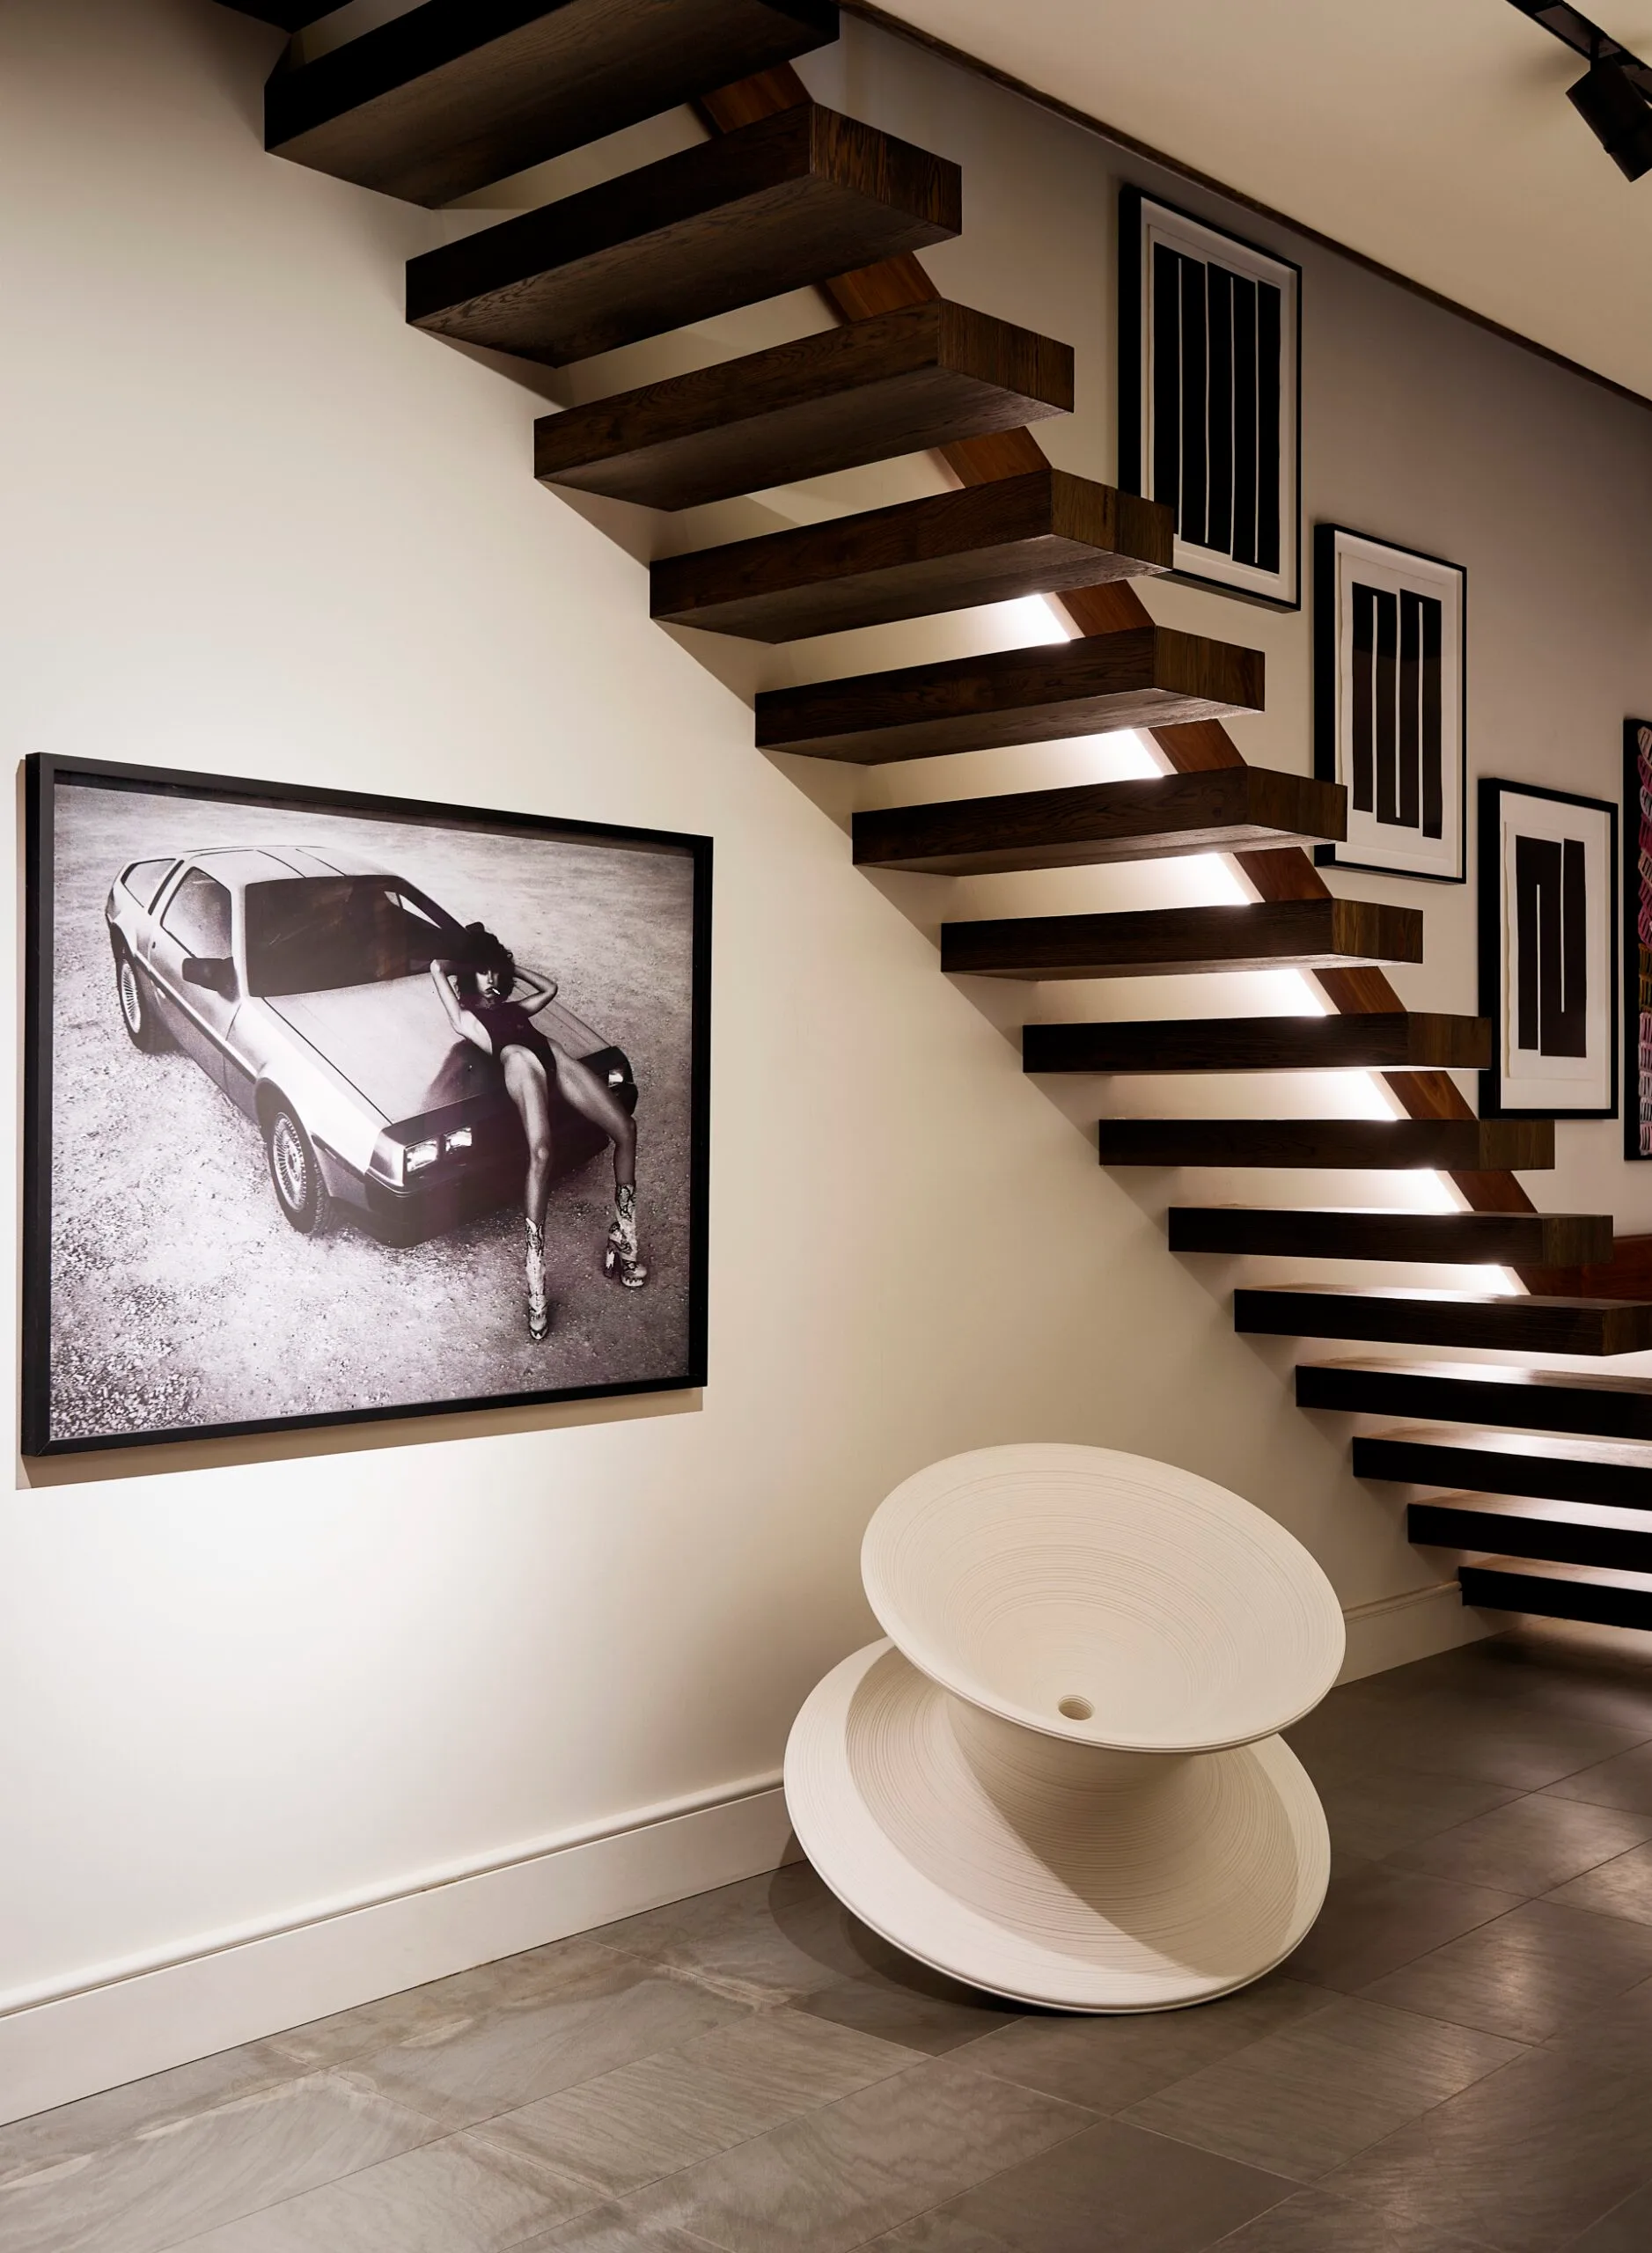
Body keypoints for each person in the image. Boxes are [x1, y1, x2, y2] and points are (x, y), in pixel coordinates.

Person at [430, 925, 644, 1341]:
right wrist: (470, 961)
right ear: (470, 974)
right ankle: (536, 1279)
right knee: (542, 1154)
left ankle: (624, 1237)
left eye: (496, 972)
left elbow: (550, 987)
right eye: (482, 972)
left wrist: (506, 966)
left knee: (626, 1129)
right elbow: (438, 966)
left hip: (554, 1056)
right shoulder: (467, 1018)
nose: (491, 980)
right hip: (521, 1062)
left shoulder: (516, 1007)